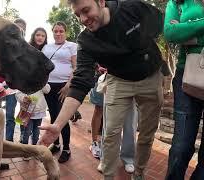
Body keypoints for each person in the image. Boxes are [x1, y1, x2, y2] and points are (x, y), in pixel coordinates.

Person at [39, 0, 164, 179]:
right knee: (110, 133)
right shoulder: (86, 41)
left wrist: (141, 44)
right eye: (77, 14)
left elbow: (159, 21)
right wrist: (58, 125)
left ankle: (139, 173)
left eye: (86, 10)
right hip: (117, 80)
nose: (82, 19)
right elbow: (80, 82)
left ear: (101, 2)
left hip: (150, 77)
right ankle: (108, 176)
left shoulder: (130, 8)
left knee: (146, 133)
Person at [164, 0, 204, 179]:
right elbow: (171, 32)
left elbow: (180, 32)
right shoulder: (177, 3)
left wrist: (188, 30)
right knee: (182, 144)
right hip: (187, 75)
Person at [41, 21, 77, 163]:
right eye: (55, 31)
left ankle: (66, 148)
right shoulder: (46, 47)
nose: (58, 34)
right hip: (48, 87)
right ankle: (56, 144)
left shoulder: (72, 46)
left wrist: (69, 85)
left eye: (61, 31)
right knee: (54, 116)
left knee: (63, 118)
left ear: (65, 32)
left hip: (63, 87)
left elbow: (75, 67)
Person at [5, 18, 27, 142]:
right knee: (7, 115)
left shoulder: (26, 47)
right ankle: (7, 142)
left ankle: (18, 140)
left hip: (20, 87)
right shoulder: (5, 44)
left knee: (21, 114)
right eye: (16, 27)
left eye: (21, 29)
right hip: (4, 86)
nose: (19, 30)